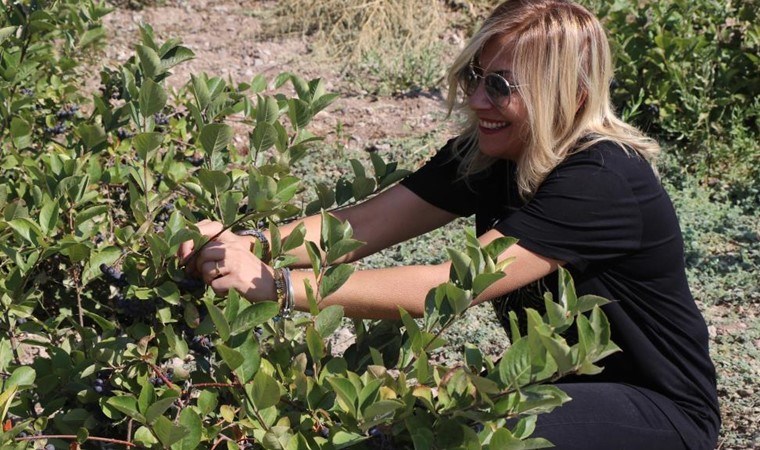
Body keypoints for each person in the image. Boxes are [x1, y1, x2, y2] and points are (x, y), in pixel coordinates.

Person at [178, 0, 720, 448]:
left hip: (660, 412)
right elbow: (361, 225)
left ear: (569, 94)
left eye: (502, 86)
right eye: (475, 76)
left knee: (461, 438)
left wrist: (277, 286)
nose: (478, 99)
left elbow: (449, 286)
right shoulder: (492, 152)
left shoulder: (603, 178)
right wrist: (244, 244)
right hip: (554, 390)